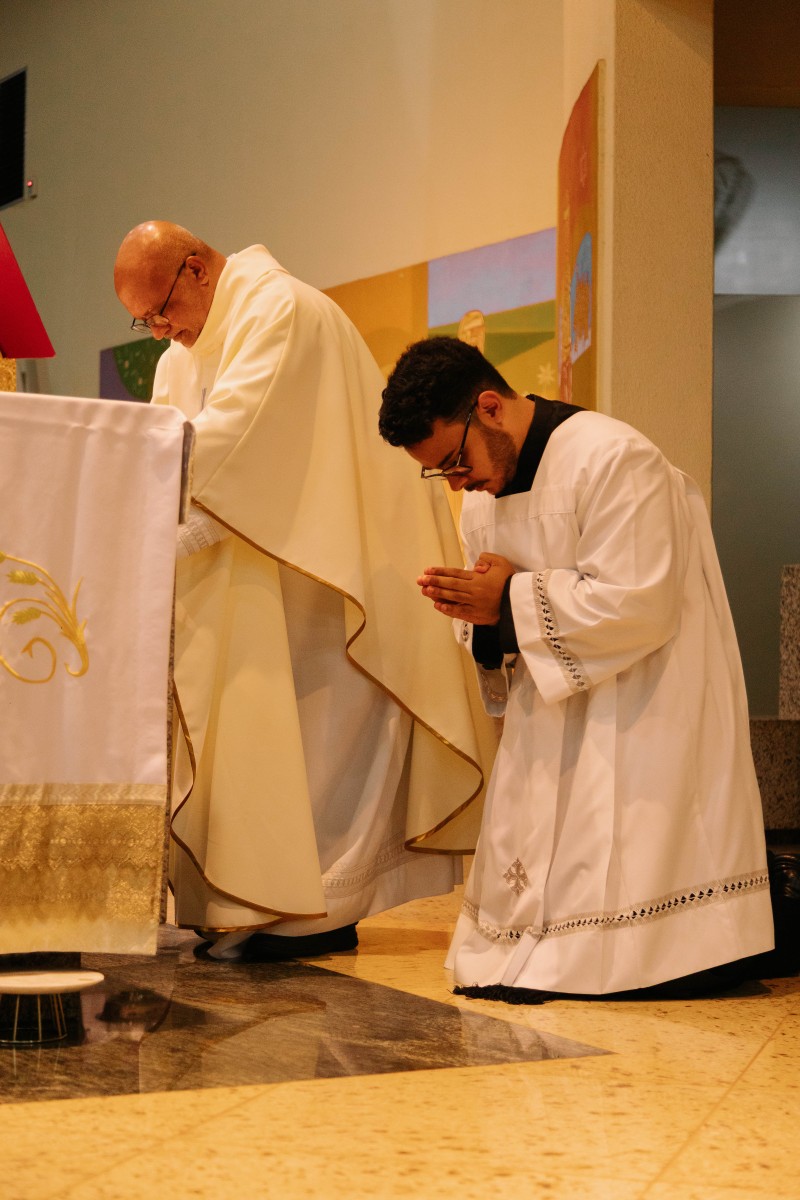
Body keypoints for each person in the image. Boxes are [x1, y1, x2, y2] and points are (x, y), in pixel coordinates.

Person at [113, 224, 494, 961]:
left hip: (327, 580)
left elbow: (225, 445)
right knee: (250, 736)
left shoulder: (278, 309)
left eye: (160, 311)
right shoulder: (179, 356)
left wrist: (124, 508)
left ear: (195, 268)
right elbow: (168, 449)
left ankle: (316, 909)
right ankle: (247, 902)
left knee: (318, 747)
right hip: (252, 580)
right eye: (145, 322)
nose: (160, 331)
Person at [378, 335, 774, 1000]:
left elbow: (638, 603)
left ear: (489, 407)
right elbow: (498, 611)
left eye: (455, 461)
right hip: (549, 709)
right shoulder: (482, 498)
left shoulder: (613, 458)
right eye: (440, 473)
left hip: (642, 699)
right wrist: (475, 614)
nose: (459, 483)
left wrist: (506, 599)